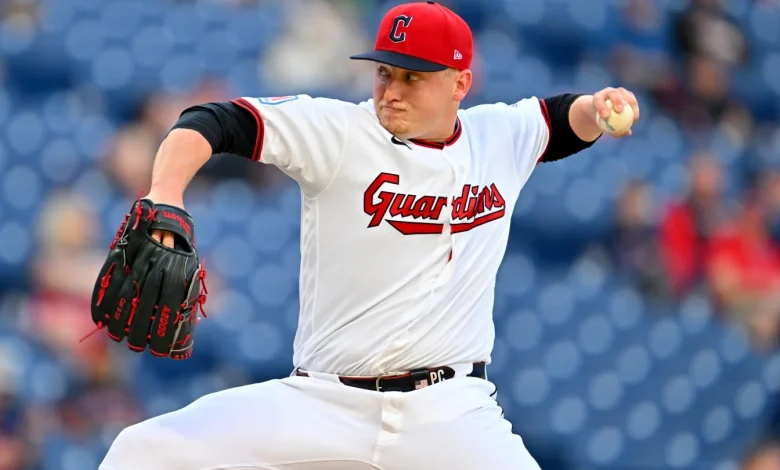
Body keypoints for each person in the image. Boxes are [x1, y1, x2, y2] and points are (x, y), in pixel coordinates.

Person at [98, 2, 640, 469]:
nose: (392, 91)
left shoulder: (498, 136)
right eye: (385, 72)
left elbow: (564, 120)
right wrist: (165, 192)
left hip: (450, 411)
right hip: (325, 401)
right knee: (141, 452)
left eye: (413, 77)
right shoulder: (338, 133)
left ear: (461, 83)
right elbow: (212, 120)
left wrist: (598, 106)